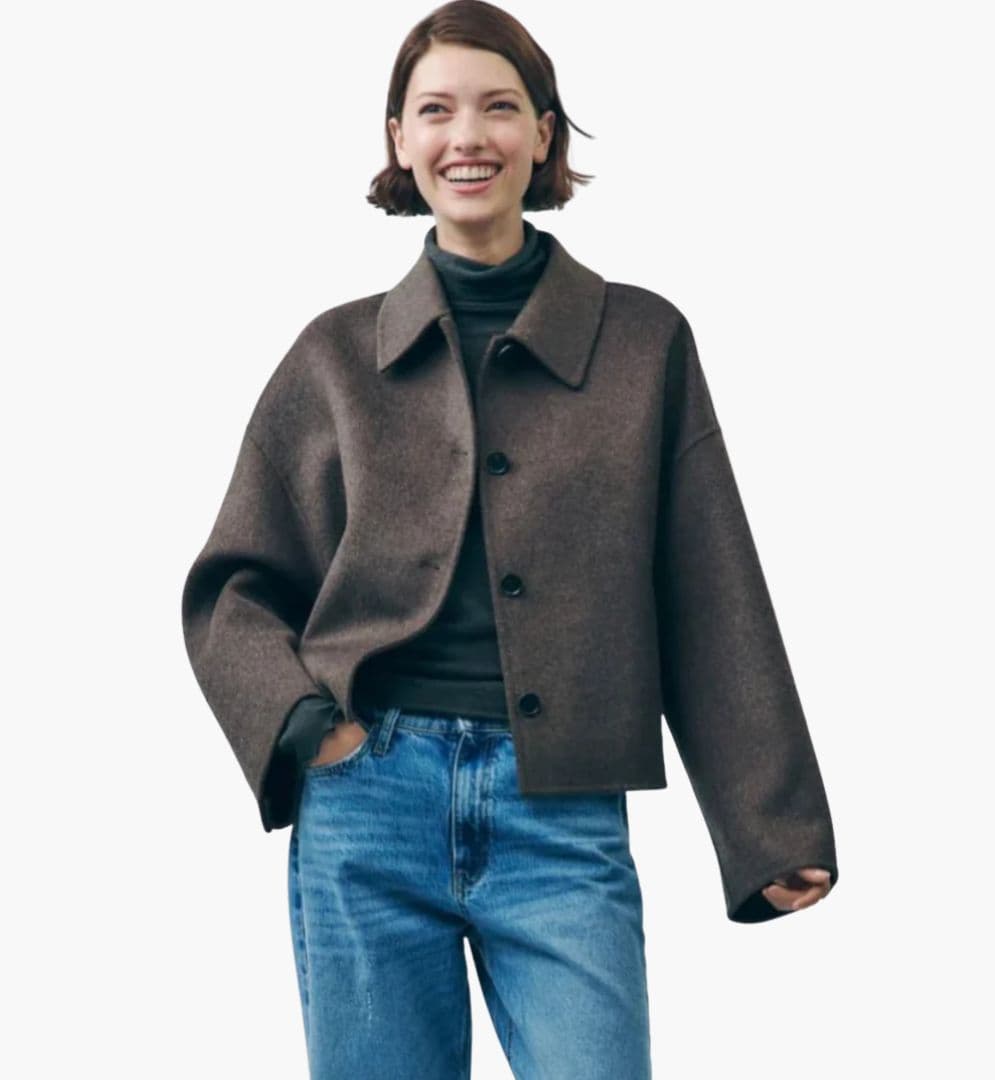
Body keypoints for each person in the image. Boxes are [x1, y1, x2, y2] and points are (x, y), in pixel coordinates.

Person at [181, 2, 838, 1077]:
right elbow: (233, 589)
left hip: (563, 813)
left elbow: (709, 589)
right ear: (399, 139)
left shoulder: (643, 342)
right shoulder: (336, 355)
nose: (466, 136)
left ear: (543, 133)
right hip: (366, 809)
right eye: (435, 110)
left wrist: (774, 827)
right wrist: (310, 730)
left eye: (497, 107)